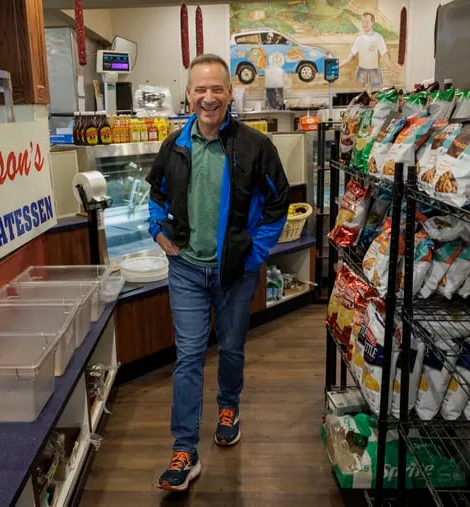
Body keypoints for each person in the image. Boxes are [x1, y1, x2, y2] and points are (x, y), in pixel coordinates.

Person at [146, 53, 289, 492]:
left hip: (235, 272)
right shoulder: (173, 146)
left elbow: (278, 203)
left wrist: (254, 255)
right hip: (186, 270)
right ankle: (185, 450)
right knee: (188, 357)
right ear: (189, 94)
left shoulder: (255, 145)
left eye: (217, 89)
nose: (209, 98)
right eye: (200, 89)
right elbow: (156, 195)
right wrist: (157, 231)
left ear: (230, 93)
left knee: (230, 347)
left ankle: (229, 407)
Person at [339, 12, 400, 90]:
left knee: (375, 98)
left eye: (367, 22)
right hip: (362, 73)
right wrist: (337, 67)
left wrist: (394, 68)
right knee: (362, 98)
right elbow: (349, 58)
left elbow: (385, 56)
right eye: (363, 22)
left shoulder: (379, 37)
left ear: (372, 23)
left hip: (375, 72)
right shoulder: (359, 39)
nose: (364, 24)